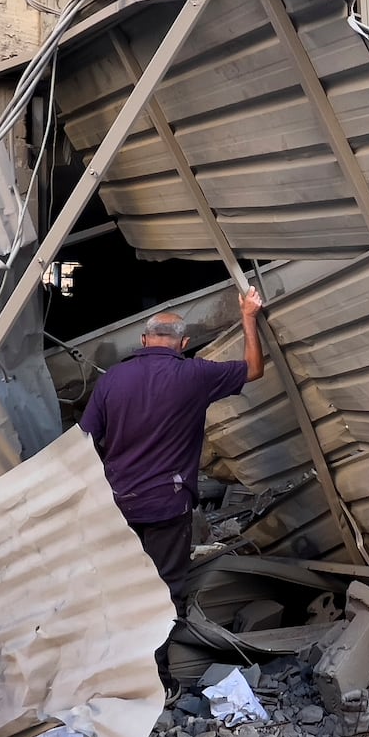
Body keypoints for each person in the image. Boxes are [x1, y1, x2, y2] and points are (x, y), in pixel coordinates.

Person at [80, 288, 265, 700]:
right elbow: (254, 368)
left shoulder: (112, 381)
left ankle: (109, 677)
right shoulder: (194, 375)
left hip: (118, 507)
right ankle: (156, 681)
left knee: (119, 588)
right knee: (163, 591)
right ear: (182, 344)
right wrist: (248, 316)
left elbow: (84, 440)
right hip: (168, 506)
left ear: (144, 340)